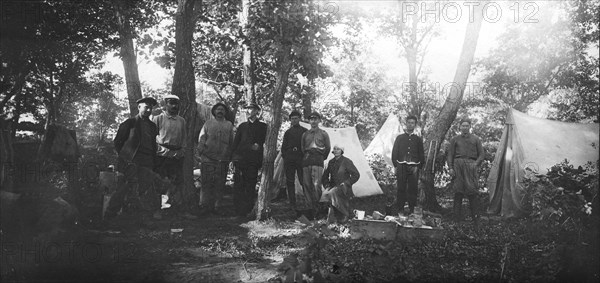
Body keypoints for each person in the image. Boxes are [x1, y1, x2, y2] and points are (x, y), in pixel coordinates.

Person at [106, 97, 160, 220]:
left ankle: (139, 217)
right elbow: (118, 142)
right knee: (124, 187)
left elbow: (153, 144)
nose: (148, 110)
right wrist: (126, 158)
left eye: (150, 108)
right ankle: (110, 215)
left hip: (147, 161)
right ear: (139, 107)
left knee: (144, 188)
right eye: (146, 107)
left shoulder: (152, 126)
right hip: (131, 161)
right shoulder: (130, 123)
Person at [196, 102, 235, 216]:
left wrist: (230, 156)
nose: (220, 111)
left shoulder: (229, 125)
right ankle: (204, 206)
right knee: (206, 183)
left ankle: (217, 206)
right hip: (208, 158)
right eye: (218, 109)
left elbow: (231, 142)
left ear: (225, 112)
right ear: (214, 112)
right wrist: (200, 153)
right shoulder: (208, 124)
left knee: (220, 183)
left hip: (222, 159)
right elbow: (201, 139)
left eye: (222, 110)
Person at [152, 94, 186, 218]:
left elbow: (184, 139)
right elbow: (152, 139)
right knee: (159, 182)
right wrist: (163, 151)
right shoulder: (158, 118)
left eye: (176, 104)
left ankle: (175, 210)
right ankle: (157, 210)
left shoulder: (181, 120)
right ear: (165, 105)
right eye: (171, 103)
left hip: (176, 156)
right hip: (161, 155)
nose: (174, 106)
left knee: (176, 183)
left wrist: (180, 152)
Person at [231, 102, 267, 217]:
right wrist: (233, 158)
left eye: (251, 109)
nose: (248, 111)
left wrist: (259, 146)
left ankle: (249, 209)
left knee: (250, 184)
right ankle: (238, 210)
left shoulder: (263, 126)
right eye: (247, 109)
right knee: (238, 184)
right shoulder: (242, 126)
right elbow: (235, 143)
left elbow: (266, 142)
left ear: (257, 111)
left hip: (253, 161)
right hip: (240, 160)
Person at [447, 118, 485, 223]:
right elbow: (450, 154)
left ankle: (476, 220)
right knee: (458, 193)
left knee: (472, 193)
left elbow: (481, 154)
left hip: (471, 166)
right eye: (463, 125)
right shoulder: (455, 139)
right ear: (460, 127)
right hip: (458, 165)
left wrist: (475, 164)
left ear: (470, 127)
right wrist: (450, 167)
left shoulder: (476, 139)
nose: (465, 127)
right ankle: (456, 220)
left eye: (467, 126)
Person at [391, 115, 425, 215]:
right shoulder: (400, 138)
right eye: (409, 122)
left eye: (412, 123)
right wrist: (395, 164)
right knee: (401, 187)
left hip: (414, 166)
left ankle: (411, 209)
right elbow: (395, 151)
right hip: (401, 165)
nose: (410, 125)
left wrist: (420, 165)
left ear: (415, 125)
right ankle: (400, 209)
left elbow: (421, 153)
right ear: (406, 124)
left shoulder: (418, 139)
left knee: (413, 188)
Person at [300, 111, 330, 219]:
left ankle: (318, 209)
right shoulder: (305, 134)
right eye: (311, 119)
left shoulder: (323, 133)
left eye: (315, 119)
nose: (313, 121)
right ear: (309, 121)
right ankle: (309, 209)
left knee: (316, 185)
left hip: (318, 159)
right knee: (307, 184)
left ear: (319, 121)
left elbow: (327, 148)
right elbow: (302, 148)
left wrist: (320, 157)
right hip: (307, 160)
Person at [321, 145, 360, 223]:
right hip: (333, 187)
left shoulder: (347, 161)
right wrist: (327, 185)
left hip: (344, 187)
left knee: (333, 193)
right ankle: (330, 217)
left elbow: (356, 175)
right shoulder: (331, 162)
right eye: (334, 149)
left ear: (341, 151)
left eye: (338, 149)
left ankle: (344, 215)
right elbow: (324, 176)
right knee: (325, 195)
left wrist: (347, 183)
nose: (335, 151)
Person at [281, 110, 307, 211]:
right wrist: (286, 156)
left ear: (299, 119)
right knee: (290, 181)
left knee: (303, 180)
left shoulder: (304, 131)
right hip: (290, 158)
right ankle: (292, 203)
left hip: (301, 158)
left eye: (296, 118)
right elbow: (283, 147)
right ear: (290, 120)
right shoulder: (288, 132)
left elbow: (307, 145)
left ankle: (307, 202)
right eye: (292, 119)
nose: (294, 120)